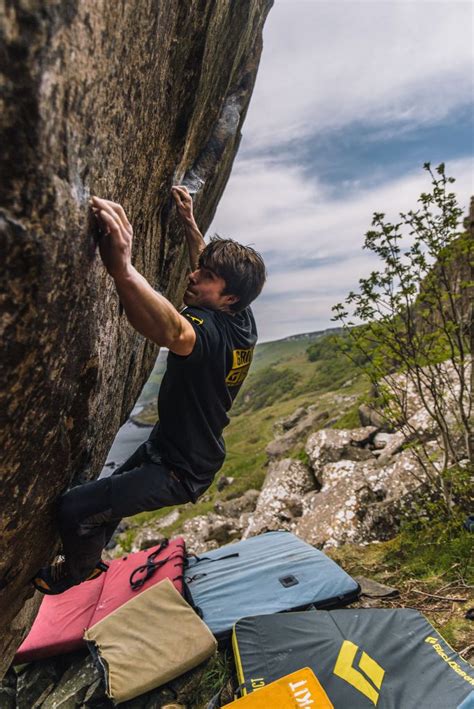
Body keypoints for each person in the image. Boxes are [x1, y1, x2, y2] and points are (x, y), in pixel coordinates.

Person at [33, 186, 266, 594]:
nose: (194, 276)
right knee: (103, 505)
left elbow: (170, 328)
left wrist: (122, 268)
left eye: (206, 278)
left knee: (74, 508)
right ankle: (92, 546)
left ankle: (77, 573)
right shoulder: (240, 315)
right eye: (203, 268)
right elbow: (207, 264)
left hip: (178, 472)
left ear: (227, 298)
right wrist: (191, 225)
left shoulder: (206, 337)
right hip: (175, 448)